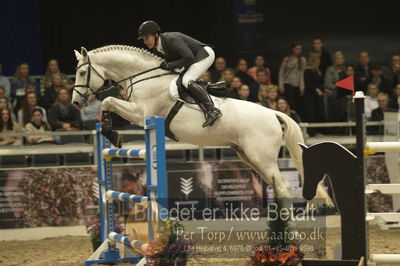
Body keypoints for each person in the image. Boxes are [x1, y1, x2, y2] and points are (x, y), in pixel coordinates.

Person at [138, 20, 222, 127]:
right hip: (192, 59)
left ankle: (212, 110)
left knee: (187, 80)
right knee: (179, 80)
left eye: (147, 38)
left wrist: (169, 65)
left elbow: (188, 57)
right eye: (143, 39)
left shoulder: (171, 39)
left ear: (156, 35)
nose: (145, 41)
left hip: (204, 55)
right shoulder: (157, 48)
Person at [278, 42, 306, 114]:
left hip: (297, 85)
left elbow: (302, 73)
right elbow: (281, 73)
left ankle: (296, 117)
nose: (298, 50)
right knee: (290, 102)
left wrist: (302, 86)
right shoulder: (287, 59)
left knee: (298, 103)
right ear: (292, 49)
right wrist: (281, 85)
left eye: (300, 49)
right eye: (297, 49)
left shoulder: (302, 60)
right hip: (287, 83)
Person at [303, 52, 324, 136]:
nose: (319, 61)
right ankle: (311, 132)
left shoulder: (316, 70)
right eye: (318, 59)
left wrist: (323, 89)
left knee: (318, 113)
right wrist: (316, 89)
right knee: (311, 114)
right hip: (309, 96)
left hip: (316, 96)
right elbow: (308, 84)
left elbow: (318, 83)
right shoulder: (308, 71)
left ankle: (317, 131)